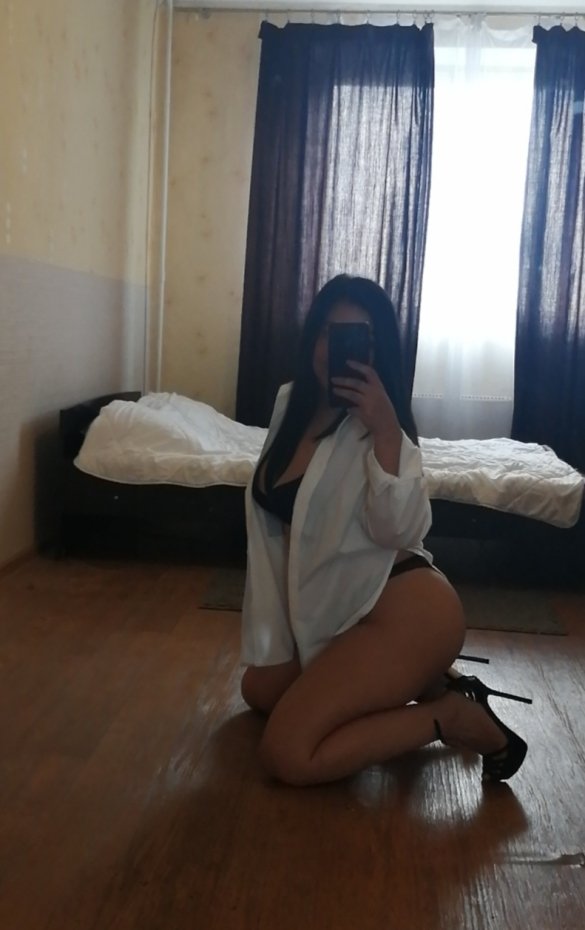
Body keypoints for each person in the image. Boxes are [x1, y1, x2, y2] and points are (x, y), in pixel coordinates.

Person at [240, 274, 529, 787]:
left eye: (360, 338)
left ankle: (448, 717)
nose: (339, 349)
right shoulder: (289, 405)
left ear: (379, 352)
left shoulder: (380, 429)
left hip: (406, 609)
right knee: (260, 691)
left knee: (287, 752)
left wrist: (386, 432)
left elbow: (399, 530)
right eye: (329, 332)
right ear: (313, 338)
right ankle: (439, 683)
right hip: (337, 611)